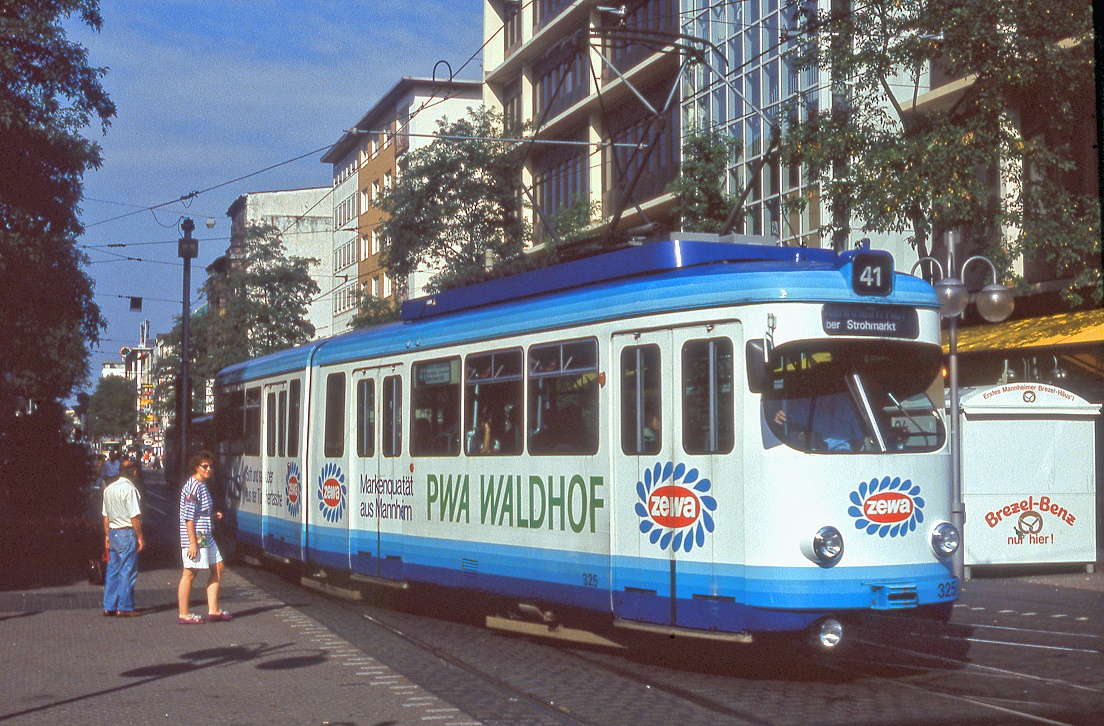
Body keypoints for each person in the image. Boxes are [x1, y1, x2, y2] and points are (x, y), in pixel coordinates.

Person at [177, 451, 232, 624]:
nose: (209, 469)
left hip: (206, 535)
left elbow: (200, 512)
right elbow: (188, 517)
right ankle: (183, 614)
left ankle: (213, 610)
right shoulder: (192, 487)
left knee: (218, 567)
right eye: (205, 466)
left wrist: (212, 516)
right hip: (197, 538)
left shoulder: (202, 485)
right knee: (190, 573)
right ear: (196, 467)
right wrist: (192, 543)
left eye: (210, 466)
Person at [102, 459, 144, 617]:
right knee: (127, 570)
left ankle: (109, 606)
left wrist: (107, 535)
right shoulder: (130, 489)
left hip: (113, 532)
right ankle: (125, 607)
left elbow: (105, 516)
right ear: (134, 472)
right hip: (127, 533)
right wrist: (140, 536)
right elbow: (134, 516)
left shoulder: (109, 489)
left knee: (113, 570)